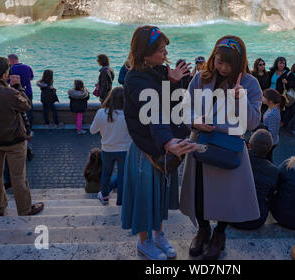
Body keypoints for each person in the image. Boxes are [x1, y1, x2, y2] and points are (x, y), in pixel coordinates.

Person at [180, 35, 262, 260]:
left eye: (229, 64)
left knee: (227, 196)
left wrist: (240, 99)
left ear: (239, 62)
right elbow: (185, 109)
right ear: (213, 57)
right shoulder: (200, 78)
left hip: (228, 147)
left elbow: (253, 123)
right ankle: (203, 229)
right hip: (201, 144)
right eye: (220, 61)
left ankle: (219, 233)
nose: (224, 68)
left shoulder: (249, 83)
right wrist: (195, 122)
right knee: (199, 194)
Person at [122, 26, 196, 260]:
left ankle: (158, 235)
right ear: (145, 54)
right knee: (146, 198)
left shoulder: (159, 71)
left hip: (164, 144)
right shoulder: (136, 80)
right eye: (161, 50)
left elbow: (172, 105)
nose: (165, 54)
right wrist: (167, 142)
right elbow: (155, 112)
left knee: (160, 195)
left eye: (165, 49)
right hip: (147, 148)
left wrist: (174, 82)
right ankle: (144, 242)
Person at [0, 56, 44, 216]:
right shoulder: (9, 92)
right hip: (14, 141)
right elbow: (26, 105)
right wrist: (18, 86)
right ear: (3, 75)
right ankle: (24, 209)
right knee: (18, 176)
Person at [229, 129, 279, 230]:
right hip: (256, 220)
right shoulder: (273, 170)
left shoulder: (236, 160)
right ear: (269, 149)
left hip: (230, 216)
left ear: (249, 145)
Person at [90, 87, 132, 206]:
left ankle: (104, 196)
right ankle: (121, 201)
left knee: (106, 174)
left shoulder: (101, 113)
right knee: (123, 176)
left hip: (107, 149)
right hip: (124, 150)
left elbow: (92, 130)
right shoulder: (128, 115)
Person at [8, 54, 34, 126]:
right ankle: (30, 127)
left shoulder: (11, 69)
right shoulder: (28, 67)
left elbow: (7, 81)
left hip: (16, 92)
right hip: (28, 91)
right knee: (29, 109)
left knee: (18, 111)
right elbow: (31, 78)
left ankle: (21, 128)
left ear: (11, 60)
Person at [262, 88, 285, 162]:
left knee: (267, 160)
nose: (262, 98)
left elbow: (272, 133)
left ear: (270, 100)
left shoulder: (273, 114)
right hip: (269, 140)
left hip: (270, 142)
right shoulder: (271, 108)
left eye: (264, 97)